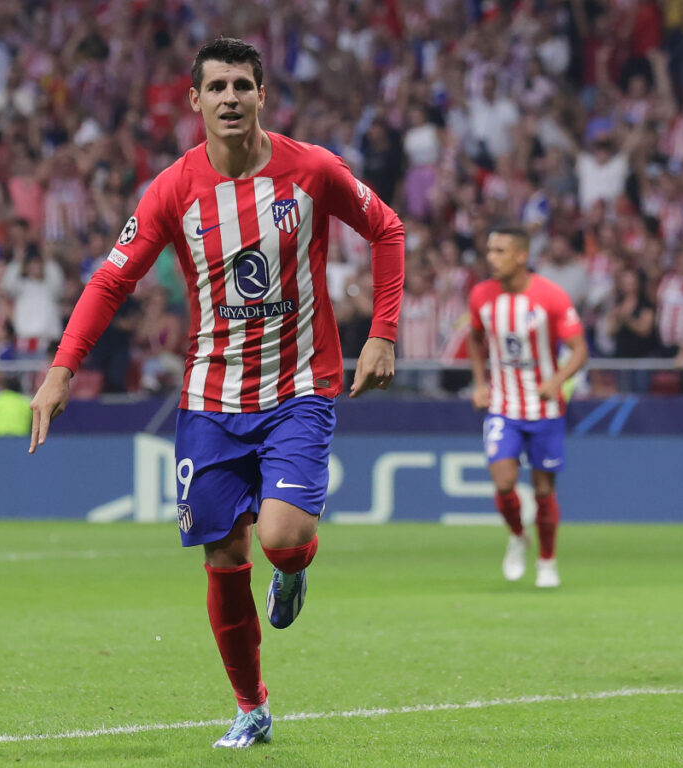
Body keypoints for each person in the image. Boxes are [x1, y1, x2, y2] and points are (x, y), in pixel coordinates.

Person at [28, 38, 403, 749]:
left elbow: (386, 228)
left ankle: (292, 572)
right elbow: (112, 279)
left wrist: (382, 333)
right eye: (217, 87)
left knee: (282, 539)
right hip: (210, 396)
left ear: (262, 95)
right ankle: (250, 706)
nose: (230, 97)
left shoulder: (312, 169)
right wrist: (61, 369)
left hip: (298, 386)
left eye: (242, 85)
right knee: (225, 556)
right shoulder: (173, 189)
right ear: (195, 100)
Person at [467, 226, 589, 589]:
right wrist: (480, 383)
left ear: (521, 256)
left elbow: (580, 349)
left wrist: (558, 380)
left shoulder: (550, 296)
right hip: (502, 405)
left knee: (543, 490)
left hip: (544, 408)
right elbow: (475, 339)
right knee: (504, 482)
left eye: (500, 251)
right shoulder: (481, 295)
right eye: (490, 250)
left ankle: (547, 560)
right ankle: (519, 536)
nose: (492, 258)